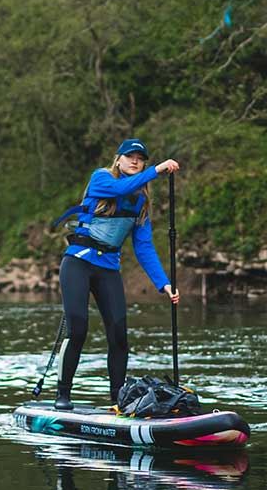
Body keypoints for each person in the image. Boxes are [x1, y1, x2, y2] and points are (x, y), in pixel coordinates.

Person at [50, 139, 181, 410]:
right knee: (78, 330)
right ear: (118, 160)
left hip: (108, 269)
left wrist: (164, 284)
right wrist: (157, 170)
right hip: (78, 262)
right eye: (129, 156)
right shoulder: (101, 178)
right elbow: (122, 187)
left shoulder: (141, 203)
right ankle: (63, 394)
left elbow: (143, 248)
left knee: (119, 336)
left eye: (140, 158)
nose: (135, 161)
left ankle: (117, 400)